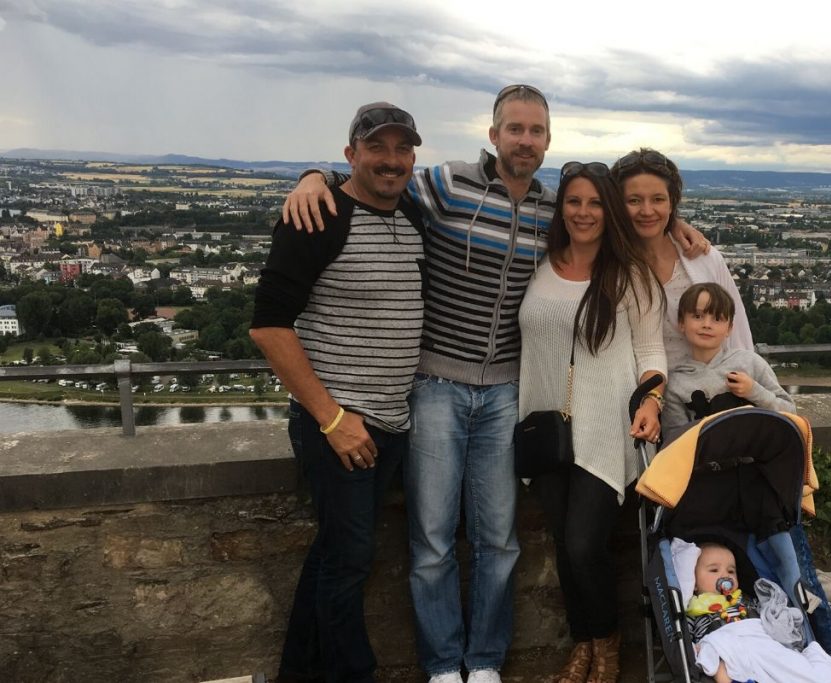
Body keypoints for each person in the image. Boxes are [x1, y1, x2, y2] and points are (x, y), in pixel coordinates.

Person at [280, 87, 708, 683]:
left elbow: (609, 217)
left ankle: (483, 662)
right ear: (494, 134)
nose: (525, 141)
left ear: (548, 141)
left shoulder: (552, 209)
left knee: (501, 541)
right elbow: (377, 178)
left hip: (509, 394)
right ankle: (441, 666)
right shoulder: (448, 184)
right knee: (431, 540)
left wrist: (673, 224)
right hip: (435, 385)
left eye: (536, 131)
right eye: (515, 129)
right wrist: (314, 177)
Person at [249, 102, 426, 683]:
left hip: (391, 422)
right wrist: (331, 419)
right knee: (350, 562)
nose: (392, 160)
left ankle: (297, 673)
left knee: (334, 556)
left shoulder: (413, 216)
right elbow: (270, 326)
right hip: (340, 425)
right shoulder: (319, 217)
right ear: (351, 154)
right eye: (378, 147)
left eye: (402, 149)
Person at [518, 161, 667, 683]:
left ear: (610, 211)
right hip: (545, 429)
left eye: (596, 203)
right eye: (574, 202)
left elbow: (651, 351)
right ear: (562, 208)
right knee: (564, 543)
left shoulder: (629, 274)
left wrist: (650, 401)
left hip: (606, 431)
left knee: (585, 544)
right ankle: (582, 643)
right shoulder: (538, 262)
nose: (584, 213)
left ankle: (606, 646)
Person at [609, 148, 753, 372]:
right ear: (617, 205)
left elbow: (739, 337)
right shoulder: (607, 265)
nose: (647, 211)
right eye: (634, 200)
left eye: (658, 199)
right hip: (638, 400)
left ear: (671, 203)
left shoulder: (705, 259)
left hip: (709, 398)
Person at [684, 543, 831, 683]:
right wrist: (696, 648)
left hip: (757, 637)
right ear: (694, 582)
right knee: (714, 654)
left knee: (788, 661)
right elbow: (687, 640)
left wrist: (777, 615)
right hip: (722, 640)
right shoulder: (692, 609)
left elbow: (769, 617)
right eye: (714, 570)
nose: (725, 576)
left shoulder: (744, 599)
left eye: (731, 571)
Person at [661, 282, 794, 445]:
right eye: (698, 316)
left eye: (717, 318)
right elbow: (673, 443)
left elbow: (790, 413)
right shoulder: (675, 384)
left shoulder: (750, 363)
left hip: (755, 465)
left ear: (729, 328)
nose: (707, 325)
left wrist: (754, 390)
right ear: (681, 323)